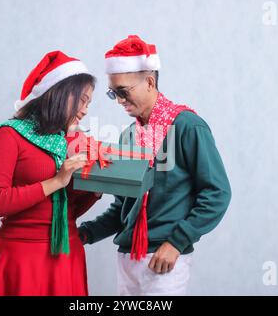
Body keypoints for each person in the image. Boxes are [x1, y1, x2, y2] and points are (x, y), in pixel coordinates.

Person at [78, 35, 232, 295]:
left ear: (149, 82)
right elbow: (124, 206)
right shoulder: (128, 134)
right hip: (127, 258)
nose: (119, 100)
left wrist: (176, 243)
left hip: (164, 257)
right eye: (113, 93)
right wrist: (85, 233)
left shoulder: (187, 126)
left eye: (123, 92)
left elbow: (217, 193)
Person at [0, 51, 101, 296]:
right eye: (82, 100)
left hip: (66, 253)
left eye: (89, 103)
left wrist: (94, 191)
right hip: (22, 256)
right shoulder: (9, 135)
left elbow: (64, 212)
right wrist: (56, 181)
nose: (85, 110)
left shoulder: (68, 141)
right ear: (61, 92)